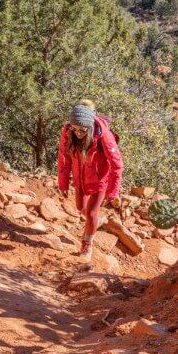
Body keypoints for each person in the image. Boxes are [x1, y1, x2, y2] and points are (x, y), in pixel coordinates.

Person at [57, 100, 124, 264]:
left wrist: (113, 192)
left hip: (100, 179)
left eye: (82, 129)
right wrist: (63, 183)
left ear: (89, 125)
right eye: (74, 128)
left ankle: (87, 246)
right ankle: (95, 222)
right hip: (80, 178)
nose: (78, 132)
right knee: (82, 209)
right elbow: (63, 158)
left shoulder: (102, 135)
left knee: (91, 213)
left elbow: (117, 165)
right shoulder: (68, 131)